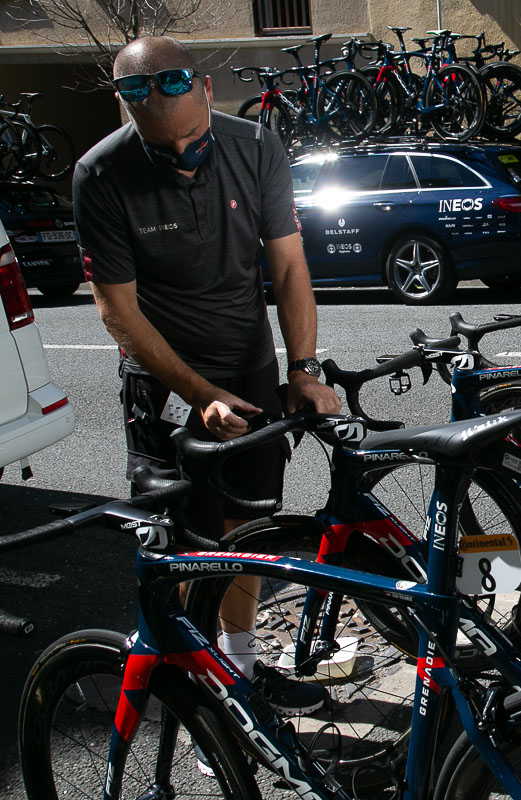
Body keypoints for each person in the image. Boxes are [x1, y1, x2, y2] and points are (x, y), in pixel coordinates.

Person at [73, 36, 342, 714]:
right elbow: (117, 309)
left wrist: (303, 369)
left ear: (206, 94)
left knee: (245, 530)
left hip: (248, 364)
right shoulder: (101, 175)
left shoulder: (254, 146)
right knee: (190, 544)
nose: (184, 160)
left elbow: (287, 266)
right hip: (166, 382)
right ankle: (196, 695)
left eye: (193, 141)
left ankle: (241, 669)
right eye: (164, 150)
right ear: (127, 112)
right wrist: (197, 395)